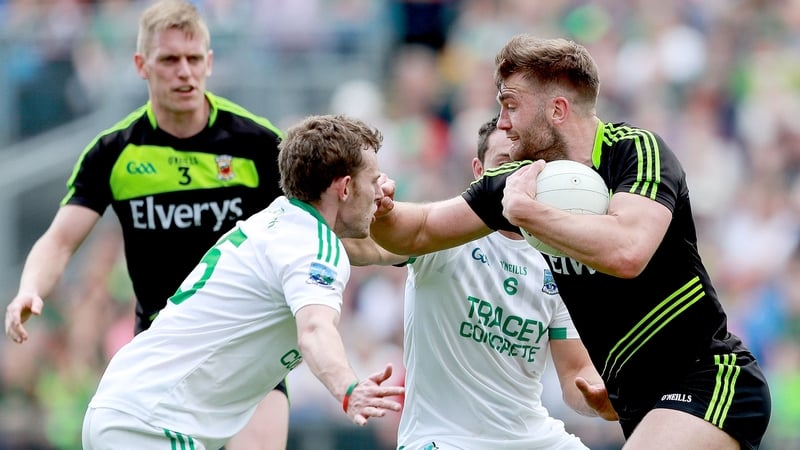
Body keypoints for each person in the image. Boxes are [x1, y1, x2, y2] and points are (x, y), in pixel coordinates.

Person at [370, 35, 771, 450]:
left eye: (511, 105)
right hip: (641, 406)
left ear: (557, 110)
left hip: (710, 379)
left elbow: (626, 251)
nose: (502, 122)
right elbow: (416, 231)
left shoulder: (635, 151)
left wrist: (528, 213)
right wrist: (382, 209)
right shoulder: (520, 180)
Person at [4, 1, 290, 448]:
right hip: (160, 357)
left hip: (245, 348)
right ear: (142, 65)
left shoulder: (256, 144)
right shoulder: (113, 153)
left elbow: (315, 223)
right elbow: (59, 241)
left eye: (194, 59)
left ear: (210, 63)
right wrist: (30, 288)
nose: (184, 72)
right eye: (170, 60)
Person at [81, 113, 405, 450]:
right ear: (345, 187)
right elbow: (314, 331)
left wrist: (426, 243)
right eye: (373, 180)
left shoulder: (279, 222)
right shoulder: (314, 247)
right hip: (154, 424)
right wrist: (349, 388)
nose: (379, 191)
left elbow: (378, 249)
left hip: (124, 409)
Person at [350, 116, 617, 450]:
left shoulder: (560, 258)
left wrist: (602, 399)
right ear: (479, 171)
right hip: (445, 439)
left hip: (532, 437)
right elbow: (364, 248)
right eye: (504, 165)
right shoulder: (444, 232)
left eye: (526, 166)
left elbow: (576, 371)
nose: (515, 178)